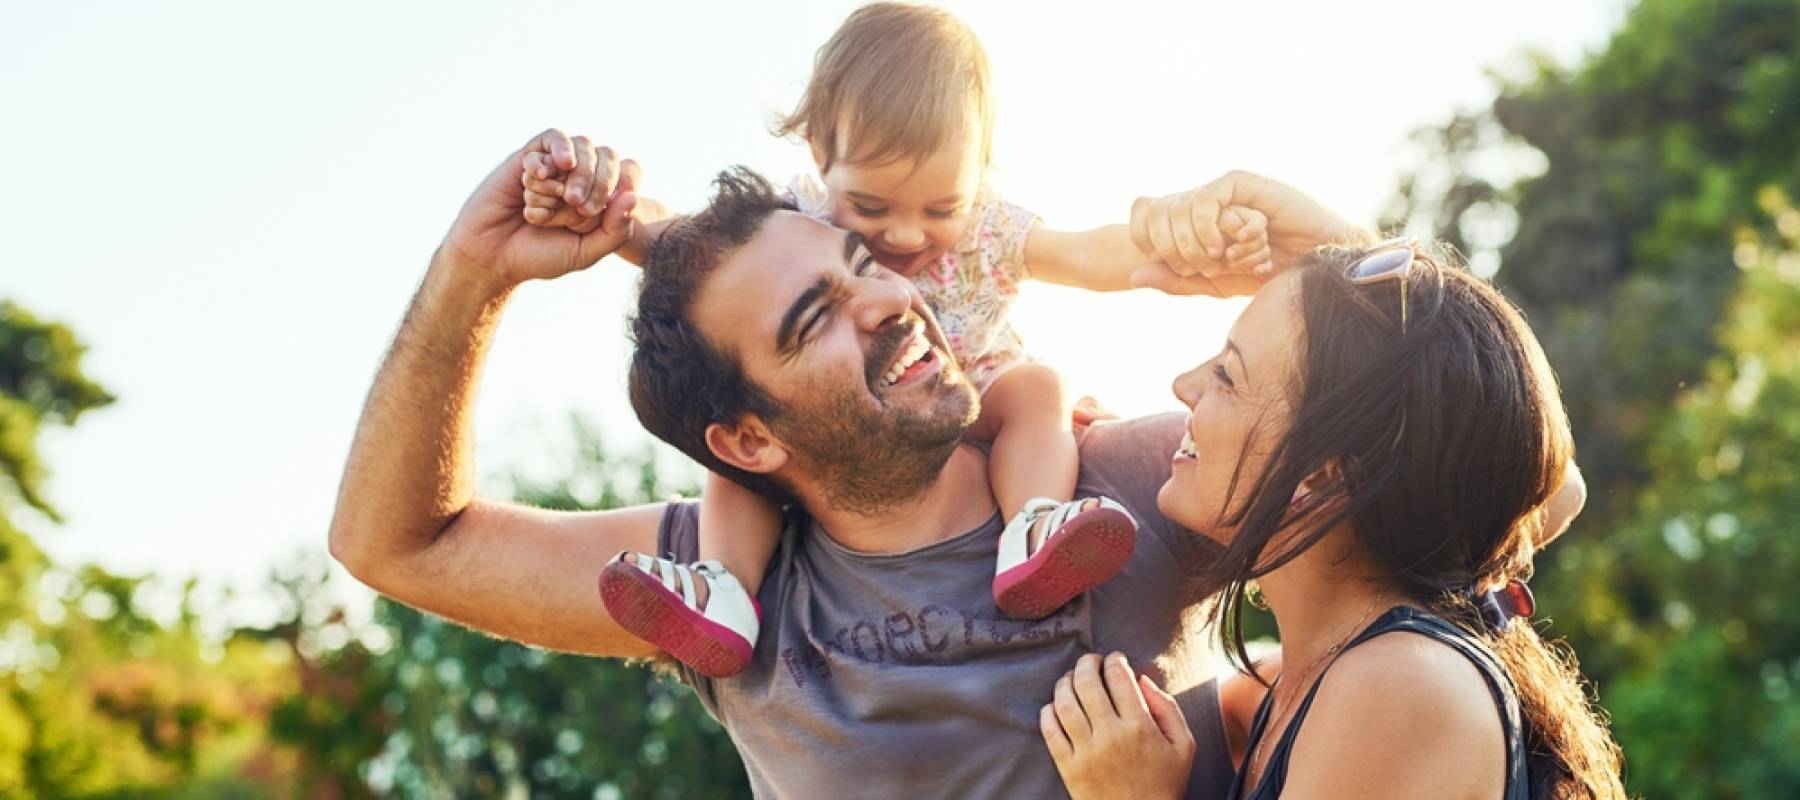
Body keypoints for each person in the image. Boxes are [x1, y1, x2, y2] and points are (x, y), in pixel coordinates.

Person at [329, 127, 1291, 797]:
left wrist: (1315, 247)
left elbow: (1384, 435)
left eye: (863, 266)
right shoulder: (723, 590)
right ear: (749, 442)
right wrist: (474, 269)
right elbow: (399, 544)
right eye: (813, 320)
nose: (888, 301)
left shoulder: (1131, 486)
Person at [515, 2, 1273, 678]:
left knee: (1039, 388)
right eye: (872, 207)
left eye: (940, 207)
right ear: (820, 154)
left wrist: (1179, 244)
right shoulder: (798, 221)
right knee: (747, 454)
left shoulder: (988, 229)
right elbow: (677, 240)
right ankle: (725, 590)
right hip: (855, 424)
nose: (907, 235)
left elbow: (1084, 254)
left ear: (979, 171)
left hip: (974, 395)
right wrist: (600, 205)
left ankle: (1035, 525)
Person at [1038, 173, 1625, 797]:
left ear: (1321, 472)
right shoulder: (1303, 685)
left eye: (1228, 375)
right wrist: (1353, 272)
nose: (1185, 384)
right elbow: (1533, 484)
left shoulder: (1396, 687)